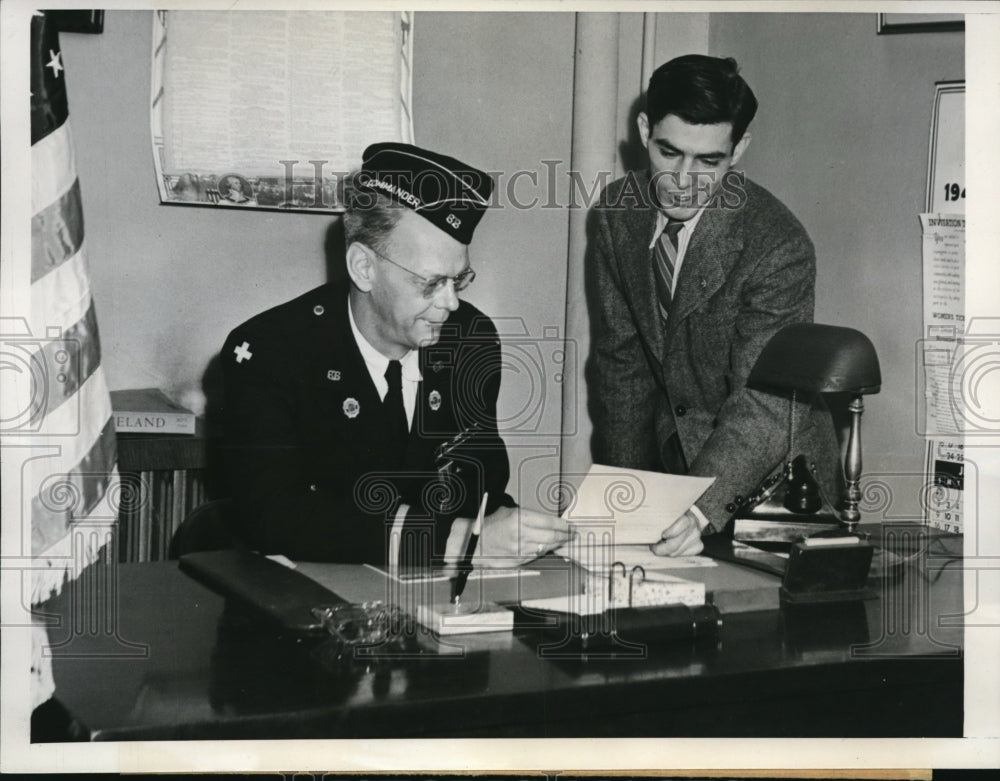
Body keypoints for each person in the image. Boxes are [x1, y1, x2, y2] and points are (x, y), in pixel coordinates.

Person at [222, 142, 571, 566]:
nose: (451, 304)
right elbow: (275, 515)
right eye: (431, 283)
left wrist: (522, 534)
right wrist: (455, 540)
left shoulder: (468, 340)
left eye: (458, 281)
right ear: (363, 267)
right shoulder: (272, 353)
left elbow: (481, 486)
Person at [588, 54, 840, 557]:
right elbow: (623, 370)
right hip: (677, 476)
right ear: (644, 129)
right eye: (669, 152)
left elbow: (765, 400)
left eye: (709, 162)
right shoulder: (617, 216)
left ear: (739, 148)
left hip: (776, 490)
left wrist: (701, 507)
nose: (683, 180)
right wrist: (627, 502)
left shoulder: (777, 245)